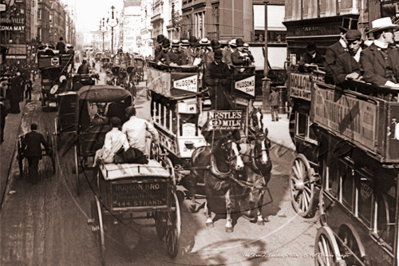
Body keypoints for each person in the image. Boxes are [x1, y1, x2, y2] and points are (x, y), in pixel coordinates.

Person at [360, 17, 399, 87]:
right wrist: (392, 85)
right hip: (380, 93)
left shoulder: (394, 51)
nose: (394, 35)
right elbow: (368, 75)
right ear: (384, 34)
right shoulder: (367, 53)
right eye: (391, 32)